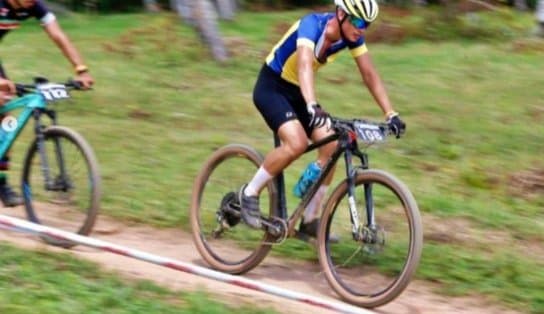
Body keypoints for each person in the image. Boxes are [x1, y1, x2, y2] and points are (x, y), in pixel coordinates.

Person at [239, 0, 406, 237]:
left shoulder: (351, 37)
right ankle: (249, 193)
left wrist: (391, 114)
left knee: (333, 144)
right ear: (340, 14)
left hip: (298, 92)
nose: (361, 29)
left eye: (367, 24)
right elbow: (305, 65)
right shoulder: (312, 26)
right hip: (272, 87)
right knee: (296, 143)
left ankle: (310, 220)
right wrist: (312, 105)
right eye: (357, 21)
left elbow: (369, 73)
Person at [0, 0, 94, 207]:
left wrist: (81, 69)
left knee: (6, 122)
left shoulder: (34, 6)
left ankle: (1, 184)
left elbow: (58, 35)